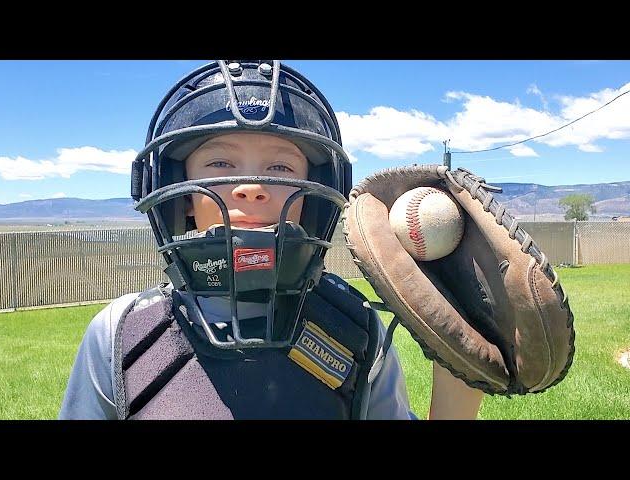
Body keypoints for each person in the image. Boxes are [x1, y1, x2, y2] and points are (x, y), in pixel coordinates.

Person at [59, 60, 484, 420]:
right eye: (220, 163)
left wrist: (460, 378)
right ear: (180, 193)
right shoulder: (123, 334)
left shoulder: (354, 328)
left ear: (311, 196)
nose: (250, 187)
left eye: (280, 168)